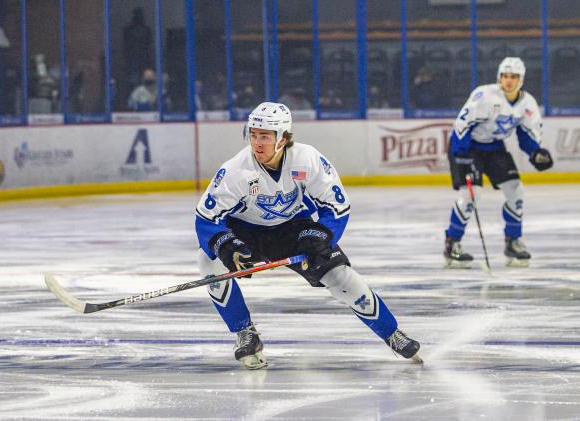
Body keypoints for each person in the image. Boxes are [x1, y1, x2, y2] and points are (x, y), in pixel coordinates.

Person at [195, 102, 421, 370]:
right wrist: (226, 246)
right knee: (208, 260)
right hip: (246, 232)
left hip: (294, 229)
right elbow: (206, 219)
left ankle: (391, 333)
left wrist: (320, 236)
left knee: (340, 275)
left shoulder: (307, 160)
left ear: (284, 138)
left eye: (265, 136)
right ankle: (245, 332)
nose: (257, 142)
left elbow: (336, 207)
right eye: (253, 134)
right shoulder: (236, 170)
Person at [443, 57, 553, 269]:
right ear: (499, 78)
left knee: (516, 190)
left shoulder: (527, 104)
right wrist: (461, 154)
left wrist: (536, 152)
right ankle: (452, 243)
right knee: (470, 195)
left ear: (521, 80)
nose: (508, 81)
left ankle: (513, 241)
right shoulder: (484, 95)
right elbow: (462, 125)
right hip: (468, 147)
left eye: (513, 77)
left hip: (494, 148)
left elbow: (526, 136)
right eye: (505, 76)